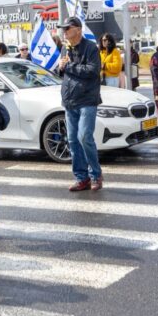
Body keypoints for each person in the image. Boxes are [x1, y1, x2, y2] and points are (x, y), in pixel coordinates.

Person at [58, 17, 103, 192]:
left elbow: (92, 71)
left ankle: (96, 175)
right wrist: (61, 67)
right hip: (70, 100)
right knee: (73, 141)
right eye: (63, 29)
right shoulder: (65, 48)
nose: (65, 31)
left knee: (84, 137)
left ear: (78, 29)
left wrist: (68, 66)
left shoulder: (91, 48)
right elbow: (62, 72)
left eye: (68, 28)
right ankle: (81, 178)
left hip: (87, 100)